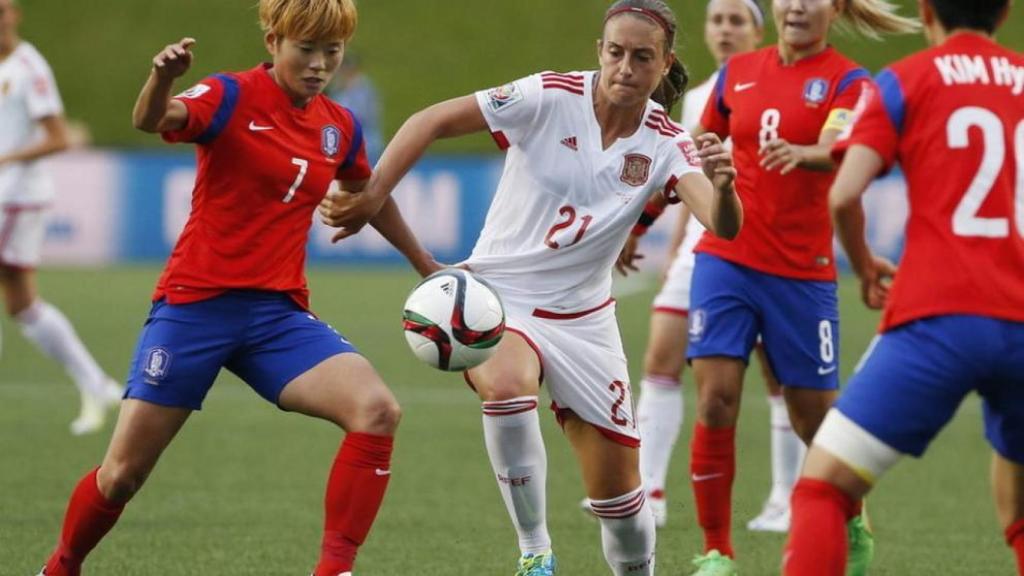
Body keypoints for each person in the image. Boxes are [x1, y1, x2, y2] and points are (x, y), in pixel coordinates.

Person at [319, 2, 742, 573]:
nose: (625, 68)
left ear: (664, 64)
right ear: (599, 51)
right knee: (506, 384)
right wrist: (373, 194)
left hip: (585, 323)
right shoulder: (548, 95)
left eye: (643, 57)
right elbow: (429, 120)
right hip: (499, 297)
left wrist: (725, 187)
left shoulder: (667, 141)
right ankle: (535, 553)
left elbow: (720, 224)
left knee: (622, 511)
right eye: (616, 52)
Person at [35, 1, 416, 574]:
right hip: (194, 308)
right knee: (122, 475)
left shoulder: (339, 125)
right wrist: (162, 78)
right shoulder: (229, 95)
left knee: (377, 410)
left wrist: (427, 264)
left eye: (331, 52)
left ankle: (334, 571)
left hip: (276, 317)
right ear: (273, 41)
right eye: (305, 49)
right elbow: (152, 119)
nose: (319, 64)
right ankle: (61, 567)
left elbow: (368, 194)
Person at [783, 0, 1023, 572]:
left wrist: (866, 265)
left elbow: (844, 193)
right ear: (1004, 13)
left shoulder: (906, 79)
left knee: (823, 487)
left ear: (926, 10)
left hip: (939, 317)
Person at [682, 0, 918, 572]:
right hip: (727, 257)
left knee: (813, 419)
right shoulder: (738, 73)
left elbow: (838, 150)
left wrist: (804, 152)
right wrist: (704, 153)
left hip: (801, 273)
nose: (795, 5)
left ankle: (852, 519)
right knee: (715, 399)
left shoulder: (849, 81)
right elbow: (700, 137)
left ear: (833, 8)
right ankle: (716, 550)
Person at [620, 0, 804, 534]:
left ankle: (786, 497)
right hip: (707, 247)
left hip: (769, 248)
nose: (724, 30)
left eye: (736, 20)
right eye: (717, 20)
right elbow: (686, 177)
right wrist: (671, 242)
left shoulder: (782, 85)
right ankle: (649, 491)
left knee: (776, 375)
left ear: (758, 31)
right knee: (661, 355)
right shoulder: (701, 97)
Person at [0, 0, 122, 436]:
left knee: (22, 302)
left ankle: (97, 384)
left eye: (3, 11)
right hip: (7, 197)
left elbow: (57, 138)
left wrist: (6, 159)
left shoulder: (30, 68)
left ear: (15, 15)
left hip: (16, 198)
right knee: (22, 305)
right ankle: (97, 384)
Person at [328, 53, 383, 163]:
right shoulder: (338, 88)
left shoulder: (363, 88)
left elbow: (360, 115)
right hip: (347, 144)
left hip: (366, 144)